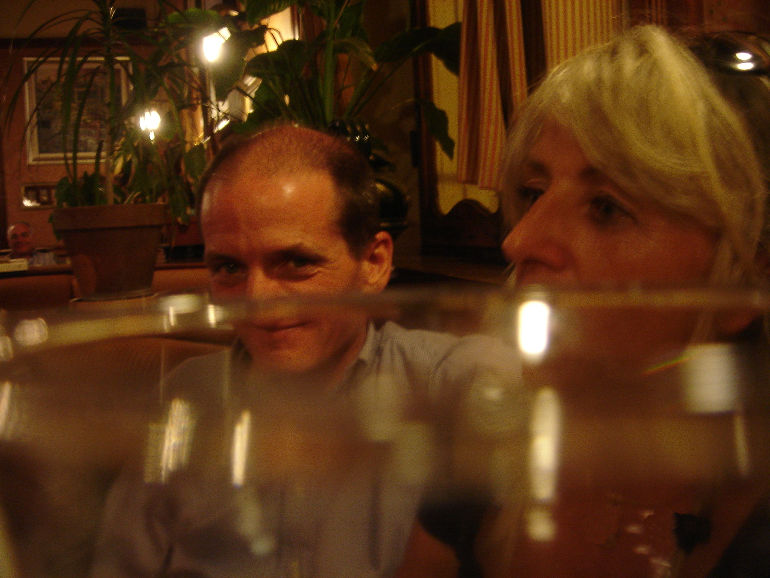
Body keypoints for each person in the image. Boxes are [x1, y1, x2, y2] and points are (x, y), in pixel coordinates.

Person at [90, 124, 524, 577]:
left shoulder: (445, 381)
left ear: (374, 263)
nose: (257, 300)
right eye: (229, 267)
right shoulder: (186, 398)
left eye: (296, 262)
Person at [473, 24, 770, 576]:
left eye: (607, 207)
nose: (519, 240)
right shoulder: (484, 454)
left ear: (744, 282)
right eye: (534, 192)